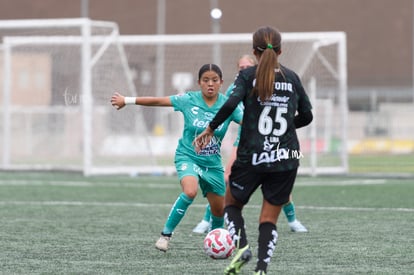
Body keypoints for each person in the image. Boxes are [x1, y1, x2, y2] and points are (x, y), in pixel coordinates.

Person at [194, 26, 313, 275]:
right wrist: (286, 128)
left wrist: (210, 128)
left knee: (232, 204)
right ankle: (261, 269)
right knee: (268, 219)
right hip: (286, 156)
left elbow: (230, 102)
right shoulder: (292, 77)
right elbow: (307, 115)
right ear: (280, 51)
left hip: (252, 154)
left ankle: (242, 249)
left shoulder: (248, 75)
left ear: (253, 51)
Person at [111, 64, 243, 252]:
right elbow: (158, 101)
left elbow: (249, 122)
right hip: (188, 156)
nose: (210, 84)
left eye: (215, 80)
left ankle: (215, 243)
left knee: (219, 210)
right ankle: (165, 235)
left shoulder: (229, 106)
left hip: (213, 164)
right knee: (190, 191)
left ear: (221, 82)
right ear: (199, 83)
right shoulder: (189, 99)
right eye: (206, 80)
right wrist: (127, 100)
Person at [192, 55, 309, 234]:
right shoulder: (235, 87)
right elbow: (228, 108)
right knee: (227, 178)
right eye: (241, 67)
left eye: (247, 66)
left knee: (278, 180)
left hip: (269, 140)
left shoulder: (267, 82)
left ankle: (293, 220)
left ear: (255, 66)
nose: (243, 69)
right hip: (244, 139)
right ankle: (208, 219)